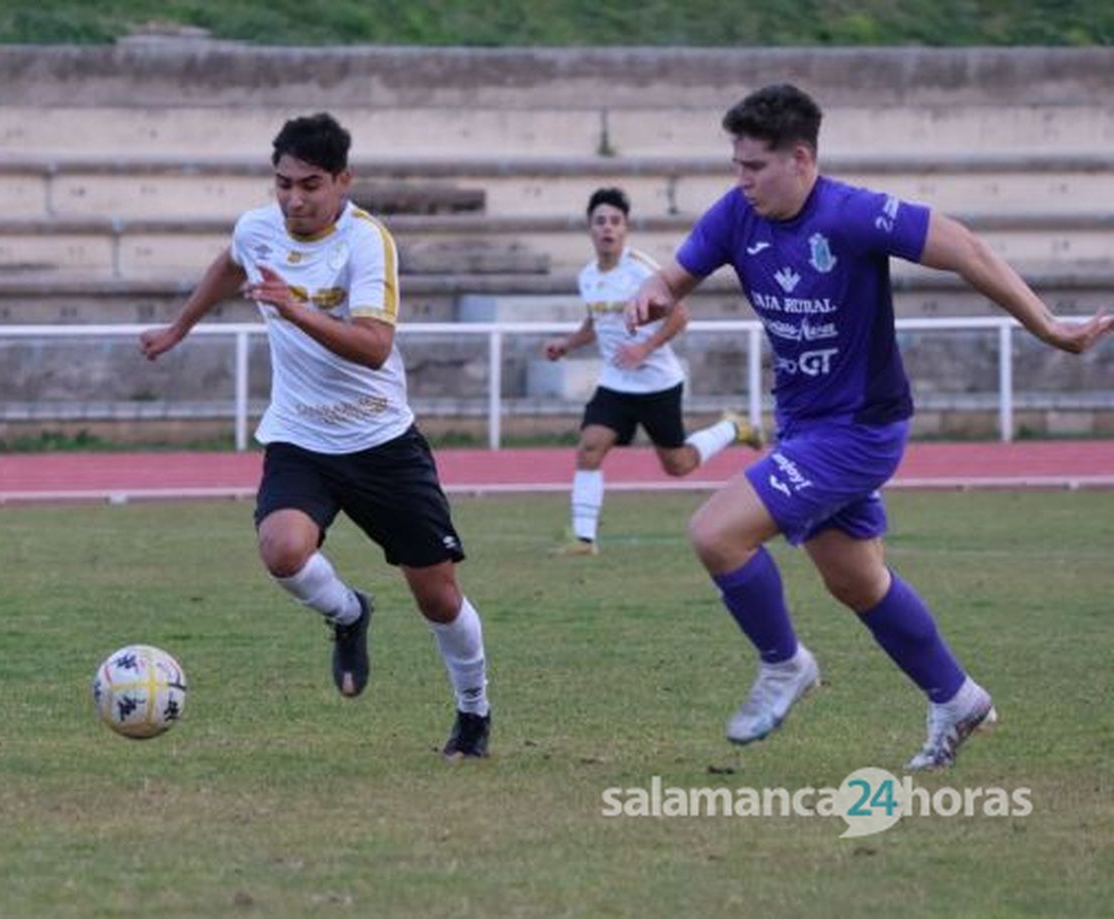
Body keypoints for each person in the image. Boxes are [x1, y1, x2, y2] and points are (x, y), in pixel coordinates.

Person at [626, 83, 1113, 771]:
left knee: (715, 532)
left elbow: (965, 246)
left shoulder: (853, 215)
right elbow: (676, 275)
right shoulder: (737, 215)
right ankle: (957, 696)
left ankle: (784, 664)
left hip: (859, 429)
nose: (741, 181)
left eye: (754, 166)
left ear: (801, 159)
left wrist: (1050, 327)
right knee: (856, 581)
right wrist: (655, 292)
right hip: (804, 428)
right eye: (735, 165)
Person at [139, 112, 492, 760]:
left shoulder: (365, 241)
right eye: (282, 184)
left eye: (309, 184)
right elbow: (229, 262)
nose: (294, 199)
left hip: (382, 441)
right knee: (281, 548)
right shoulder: (258, 228)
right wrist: (178, 328)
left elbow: (374, 345)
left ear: (342, 181)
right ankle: (349, 613)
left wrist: (295, 308)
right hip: (301, 437)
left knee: (438, 597)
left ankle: (474, 711)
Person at [542, 186, 763, 556]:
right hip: (616, 382)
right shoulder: (587, 277)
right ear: (590, 229)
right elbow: (596, 322)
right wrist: (567, 344)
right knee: (590, 448)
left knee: (678, 465)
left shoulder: (641, 270)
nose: (607, 228)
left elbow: (680, 315)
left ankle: (733, 427)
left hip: (658, 384)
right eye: (600, 222)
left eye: (615, 221)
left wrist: (644, 347)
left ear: (625, 228)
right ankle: (583, 539)